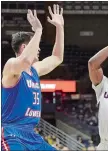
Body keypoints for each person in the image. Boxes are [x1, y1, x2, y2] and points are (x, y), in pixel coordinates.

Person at [2, 4, 64, 151]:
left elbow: (57, 57)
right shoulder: (11, 66)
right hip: (12, 133)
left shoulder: (34, 70)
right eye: (36, 45)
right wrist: (38, 30)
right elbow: (25, 61)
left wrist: (60, 28)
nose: (39, 49)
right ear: (24, 48)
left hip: (32, 134)